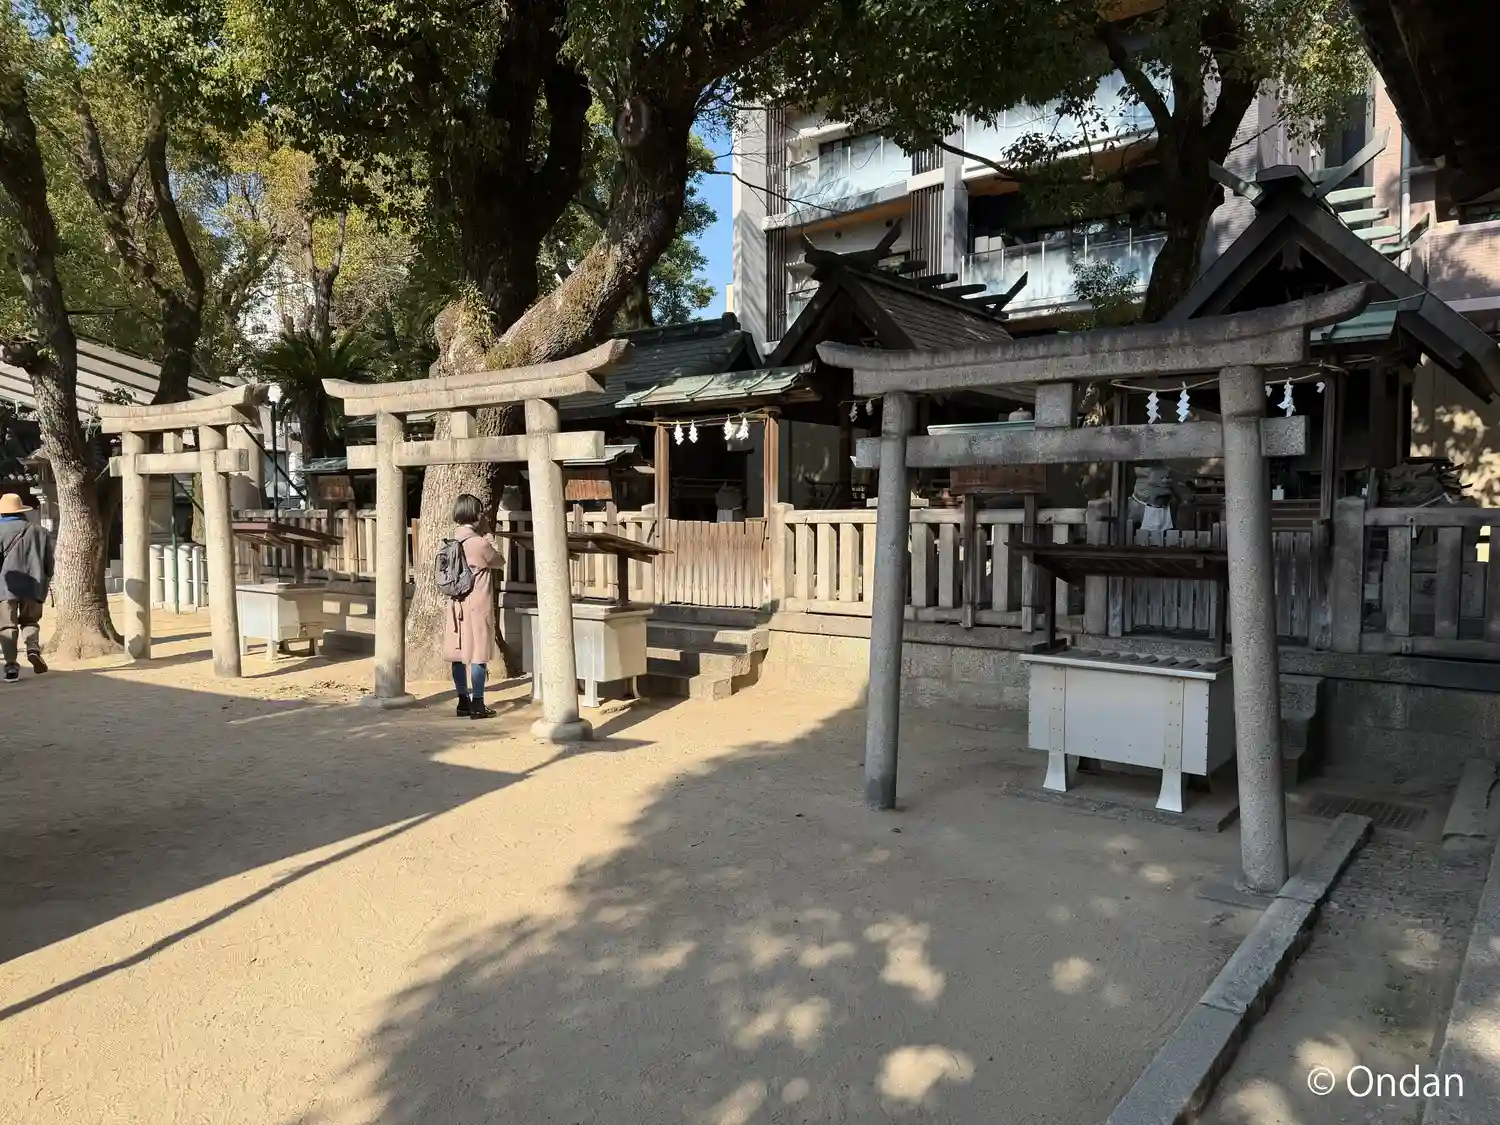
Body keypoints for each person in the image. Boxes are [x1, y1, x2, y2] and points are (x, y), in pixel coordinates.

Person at [440, 493, 503, 719]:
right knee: (478, 652)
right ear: (476, 514)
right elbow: (499, 560)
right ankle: (478, 703)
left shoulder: (449, 542)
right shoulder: (479, 543)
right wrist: (489, 534)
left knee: (458, 652)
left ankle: (462, 701)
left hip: (456, 603)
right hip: (478, 602)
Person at [0, 492, 53, 683]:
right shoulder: (40, 531)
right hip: (33, 585)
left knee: (7, 626)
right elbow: (49, 564)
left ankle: (11, 668)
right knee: (30, 621)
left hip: (5, 587)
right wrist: (46, 579)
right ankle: (32, 649)